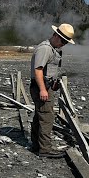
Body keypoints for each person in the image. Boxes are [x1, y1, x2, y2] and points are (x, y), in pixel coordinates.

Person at [30, 23, 75, 158]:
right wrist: (43, 89)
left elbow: (48, 71)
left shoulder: (53, 49)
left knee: (40, 116)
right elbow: (38, 70)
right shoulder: (45, 49)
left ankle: (37, 145)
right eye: (63, 41)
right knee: (47, 117)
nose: (63, 44)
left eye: (66, 42)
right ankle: (45, 149)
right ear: (55, 35)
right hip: (41, 87)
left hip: (46, 85)